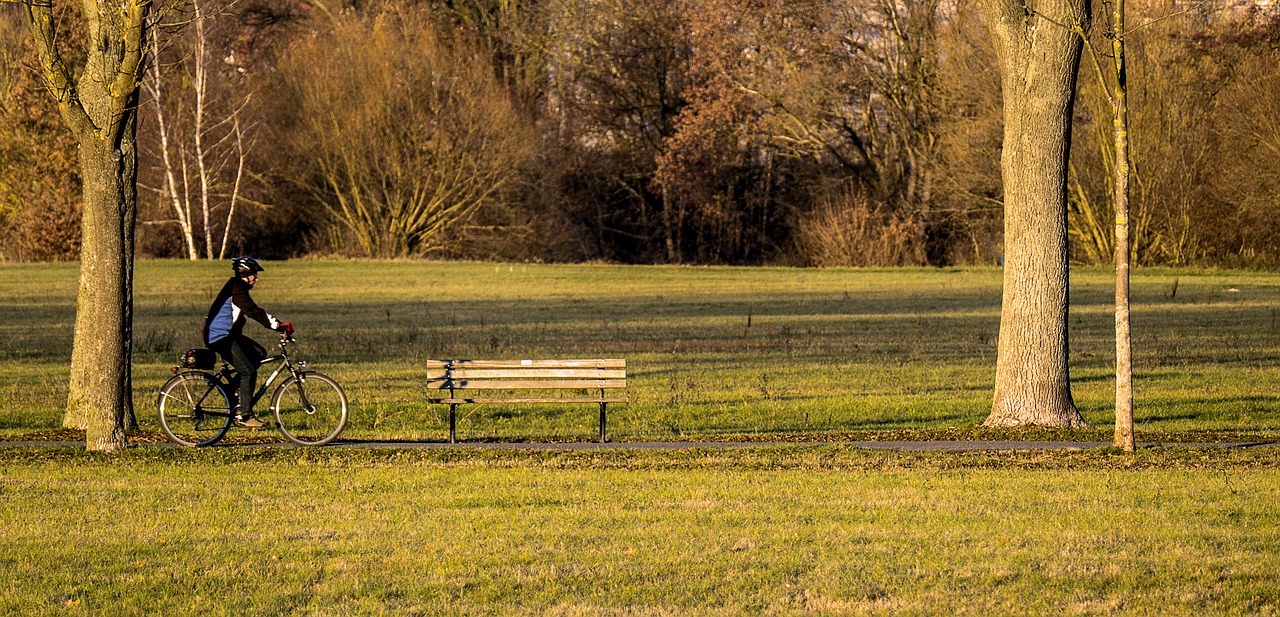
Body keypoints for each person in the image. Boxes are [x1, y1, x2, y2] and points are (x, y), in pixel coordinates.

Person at [204, 257, 292, 428]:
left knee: (259, 353)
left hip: (228, 334)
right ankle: (244, 416)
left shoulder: (237, 287)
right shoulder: (237, 291)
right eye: (254, 274)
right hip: (220, 337)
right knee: (248, 371)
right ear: (245, 274)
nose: (256, 278)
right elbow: (254, 311)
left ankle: (233, 391)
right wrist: (279, 326)